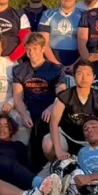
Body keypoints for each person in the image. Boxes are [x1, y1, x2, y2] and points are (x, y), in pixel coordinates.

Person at [10, 33, 63, 161]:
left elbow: (61, 95)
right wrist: (23, 114)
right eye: (28, 48)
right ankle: (19, 160)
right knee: (17, 121)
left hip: (48, 109)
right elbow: (17, 97)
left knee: (50, 120)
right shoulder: (19, 69)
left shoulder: (55, 69)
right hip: (29, 108)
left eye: (34, 48)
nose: (31, 52)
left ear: (43, 48)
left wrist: (51, 108)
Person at [44, 59, 98, 162]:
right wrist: (58, 150)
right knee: (48, 144)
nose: (84, 78)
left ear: (94, 78)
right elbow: (54, 123)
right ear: (74, 76)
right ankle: (55, 165)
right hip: (66, 135)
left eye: (88, 74)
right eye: (79, 74)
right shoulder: (64, 96)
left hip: (87, 139)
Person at [0, 113, 53, 195]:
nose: (2, 129)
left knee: (13, 165)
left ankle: (45, 187)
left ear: (11, 130)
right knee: (2, 161)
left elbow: (27, 166)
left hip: (12, 176)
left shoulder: (18, 146)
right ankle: (41, 184)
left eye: (6, 126)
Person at [38, 0, 83, 67]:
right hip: (52, 58)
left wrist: (75, 65)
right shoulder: (48, 14)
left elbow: (87, 44)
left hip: (77, 60)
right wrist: (56, 64)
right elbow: (43, 42)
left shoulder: (84, 15)